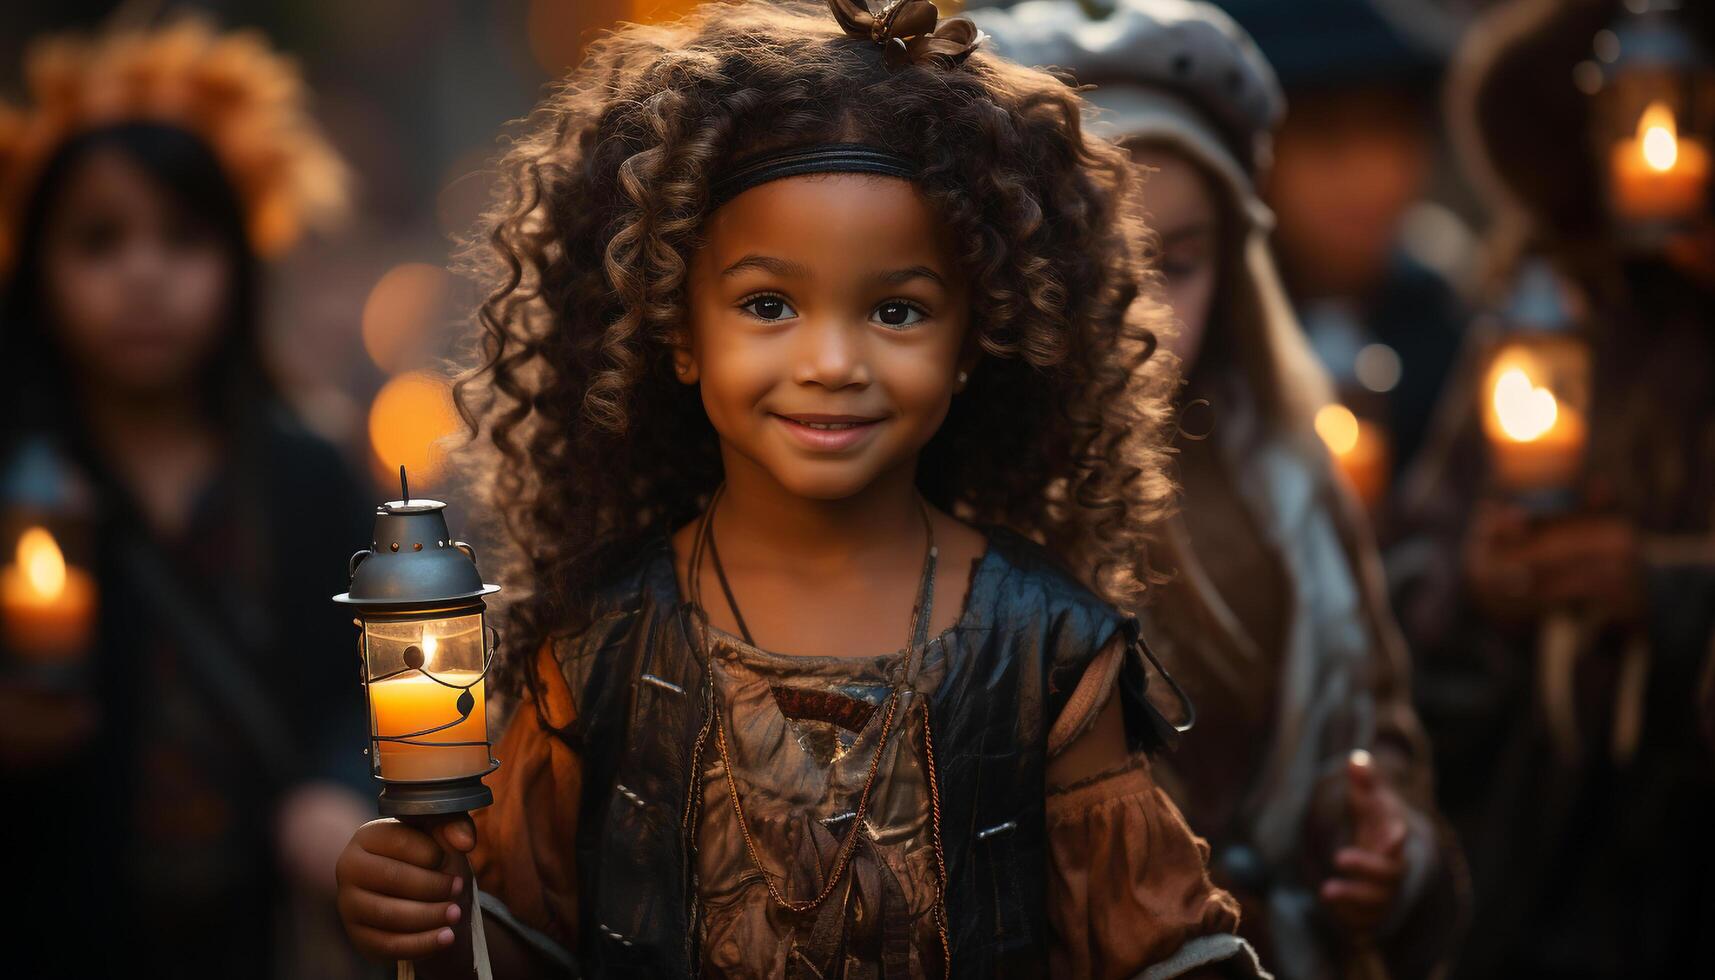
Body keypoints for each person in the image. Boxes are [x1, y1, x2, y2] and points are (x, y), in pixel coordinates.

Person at [332, 1, 1271, 977]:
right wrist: (418, 909)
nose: (830, 361)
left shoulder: (1047, 650)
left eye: (895, 309)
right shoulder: (599, 642)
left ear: (970, 341)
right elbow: (521, 936)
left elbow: (1157, 948)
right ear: (679, 330)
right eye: (767, 304)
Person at [969, 3, 1465, 978]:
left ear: (1231, 268)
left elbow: (1372, 722)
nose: (1137, 308)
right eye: (1094, 260)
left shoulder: (1285, 478)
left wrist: (1379, 838)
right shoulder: (976, 509)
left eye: (1177, 262)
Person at [0, 18, 376, 979]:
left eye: (182, 238)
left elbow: (369, 684)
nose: (144, 276)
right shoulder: (17, 480)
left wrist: (336, 796)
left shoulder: (306, 474)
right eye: (98, 241)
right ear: (35, 270)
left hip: (252, 936)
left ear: (238, 266)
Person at [1392, 0, 1715, 976]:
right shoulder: (1559, 312)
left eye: (1682, 106)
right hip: (1547, 889)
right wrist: (1480, 590)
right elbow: (1414, 578)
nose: (1658, 139)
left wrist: (1663, 595)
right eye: (1633, 107)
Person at [1216, 0, 1470, 497]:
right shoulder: (1210, 338)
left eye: (1389, 128)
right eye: (1324, 137)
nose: (1369, 177)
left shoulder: (1443, 321)